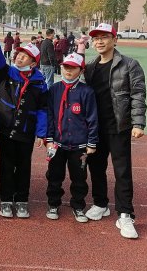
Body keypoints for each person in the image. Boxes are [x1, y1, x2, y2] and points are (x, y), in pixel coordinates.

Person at [84, 23, 147, 239]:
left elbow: (138, 94)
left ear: (114, 39)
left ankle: (125, 214)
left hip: (119, 127)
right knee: (96, 167)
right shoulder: (90, 67)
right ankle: (101, 204)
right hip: (95, 128)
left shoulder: (129, 65)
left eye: (104, 37)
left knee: (122, 172)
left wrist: (138, 123)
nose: (99, 41)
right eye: (96, 38)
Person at [0, 24, 47, 218]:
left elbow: (42, 110)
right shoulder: (7, 73)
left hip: (26, 132)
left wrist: (41, 133)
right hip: (6, 129)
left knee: (23, 166)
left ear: (33, 62)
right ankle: (5, 200)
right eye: (18, 54)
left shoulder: (40, 82)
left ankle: (21, 200)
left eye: (24, 55)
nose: (19, 57)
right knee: (5, 164)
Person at [45, 53, 98, 222]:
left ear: (81, 71)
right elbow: (50, 116)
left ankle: (78, 206)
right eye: (65, 67)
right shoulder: (54, 89)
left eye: (73, 68)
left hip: (79, 145)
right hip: (57, 144)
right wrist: (49, 138)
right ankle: (53, 204)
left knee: (79, 178)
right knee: (54, 175)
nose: (68, 70)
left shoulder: (86, 92)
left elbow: (92, 118)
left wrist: (92, 142)